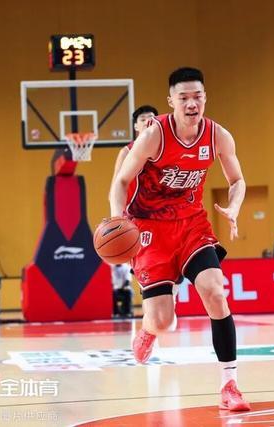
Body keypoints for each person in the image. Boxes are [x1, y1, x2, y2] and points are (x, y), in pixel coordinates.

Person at [109, 67, 250, 411]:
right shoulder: (154, 136)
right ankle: (149, 330)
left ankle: (229, 385)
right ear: (171, 101)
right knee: (162, 320)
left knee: (215, 292)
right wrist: (117, 219)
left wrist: (234, 207)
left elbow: (237, 180)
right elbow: (121, 181)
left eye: (197, 96)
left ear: (205, 98)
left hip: (191, 225)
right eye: (183, 97)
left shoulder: (218, 136)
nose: (191, 104)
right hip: (149, 229)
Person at [110, 105, 159, 188]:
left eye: (151, 118)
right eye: (143, 120)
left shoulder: (168, 147)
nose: (147, 121)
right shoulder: (126, 152)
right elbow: (115, 186)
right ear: (135, 126)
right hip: (136, 196)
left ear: (158, 122)